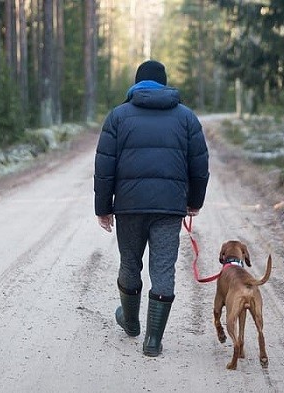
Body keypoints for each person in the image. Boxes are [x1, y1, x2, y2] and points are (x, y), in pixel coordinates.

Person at [94, 60, 209, 357]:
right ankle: (153, 341)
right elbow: (200, 166)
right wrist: (194, 201)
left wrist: (103, 208)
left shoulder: (118, 117)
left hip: (130, 206)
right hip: (169, 208)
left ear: (136, 84)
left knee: (130, 262)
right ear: (165, 84)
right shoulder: (186, 118)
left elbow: (104, 168)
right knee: (163, 268)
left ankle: (131, 322)